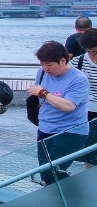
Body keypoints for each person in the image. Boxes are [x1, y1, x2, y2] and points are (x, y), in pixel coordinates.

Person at [28, 40, 90, 184]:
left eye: (49, 65)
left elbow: (68, 106)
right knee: (46, 173)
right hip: (45, 128)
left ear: (63, 61)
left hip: (71, 132)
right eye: (42, 64)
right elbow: (37, 94)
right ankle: (60, 195)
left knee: (52, 172)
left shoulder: (78, 79)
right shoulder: (42, 73)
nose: (45, 68)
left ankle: (78, 193)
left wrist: (43, 93)